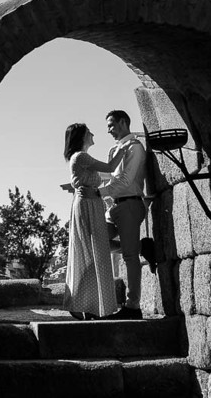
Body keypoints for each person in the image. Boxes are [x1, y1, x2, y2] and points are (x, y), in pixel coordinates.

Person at [61, 122, 126, 320]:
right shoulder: (81, 156)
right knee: (93, 252)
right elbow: (110, 167)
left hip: (91, 204)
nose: (93, 134)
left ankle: (88, 305)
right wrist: (125, 146)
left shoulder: (80, 158)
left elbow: (105, 174)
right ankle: (87, 306)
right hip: (88, 205)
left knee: (95, 251)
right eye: (89, 132)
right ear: (82, 137)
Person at [98, 110, 148, 320]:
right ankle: (141, 247)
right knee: (97, 239)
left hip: (130, 204)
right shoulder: (114, 150)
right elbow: (110, 178)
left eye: (111, 125)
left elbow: (126, 180)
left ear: (123, 122)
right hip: (114, 207)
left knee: (129, 257)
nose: (108, 130)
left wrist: (98, 193)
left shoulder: (135, 147)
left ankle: (133, 306)